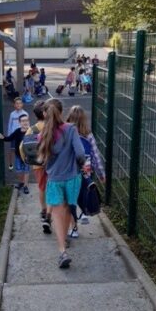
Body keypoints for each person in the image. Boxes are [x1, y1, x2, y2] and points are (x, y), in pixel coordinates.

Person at [38, 99, 85, 268]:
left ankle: (62, 251)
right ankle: (65, 239)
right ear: (61, 112)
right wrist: (80, 166)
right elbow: (80, 153)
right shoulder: (71, 129)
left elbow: (41, 159)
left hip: (55, 179)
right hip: (72, 177)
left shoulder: (43, 134)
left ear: (45, 113)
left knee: (57, 214)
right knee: (67, 210)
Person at [66, 105, 106, 237]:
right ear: (84, 119)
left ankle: (74, 228)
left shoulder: (66, 132)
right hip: (85, 171)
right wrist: (101, 174)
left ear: (69, 118)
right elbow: (95, 156)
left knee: (71, 199)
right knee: (83, 193)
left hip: (70, 171)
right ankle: (84, 212)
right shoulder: (88, 135)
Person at [21, 101, 52, 233]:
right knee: (52, 187)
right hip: (52, 163)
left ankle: (43, 210)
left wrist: (27, 160)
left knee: (42, 187)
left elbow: (22, 147)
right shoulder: (51, 127)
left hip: (37, 164)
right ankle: (51, 212)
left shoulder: (32, 129)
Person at [0, 114, 30, 194]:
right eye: (23, 121)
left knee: (26, 170)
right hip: (18, 155)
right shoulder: (17, 131)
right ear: (19, 122)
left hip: (27, 156)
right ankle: (22, 182)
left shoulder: (30, 131)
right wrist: (3, 138)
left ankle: (25, 186)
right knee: (19, 170)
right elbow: (10, 138)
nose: (25, 122)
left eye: (26, 120)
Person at [7, 97, 28, 170]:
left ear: (22, 104)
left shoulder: (25, 113)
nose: (18, 105)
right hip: (14, 135)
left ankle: (23, 163)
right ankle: (10, 164)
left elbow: (27, 125)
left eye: (20, 103)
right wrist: (9, 135)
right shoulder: (12, 114)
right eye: (17, 103)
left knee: (23, 150)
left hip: (22, 136)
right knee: (12, 150)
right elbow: (10, 125)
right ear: (14, 105)